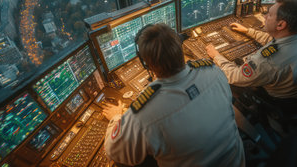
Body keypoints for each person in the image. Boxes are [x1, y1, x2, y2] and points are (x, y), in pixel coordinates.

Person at [102, 23, 245, 167]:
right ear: (179, 47)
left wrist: (115, 118)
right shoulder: (214, 71)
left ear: (146, 64)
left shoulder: (143, 114)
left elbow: (114, 152)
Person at [206, 0, 297, 99]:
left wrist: (216, 56)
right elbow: (278, 40)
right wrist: (248, 31)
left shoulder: (268, 61)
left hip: (284, 99)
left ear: (280, 25)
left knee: (222, 78)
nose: (265, 16)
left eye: (269, 15)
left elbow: (235, 76)